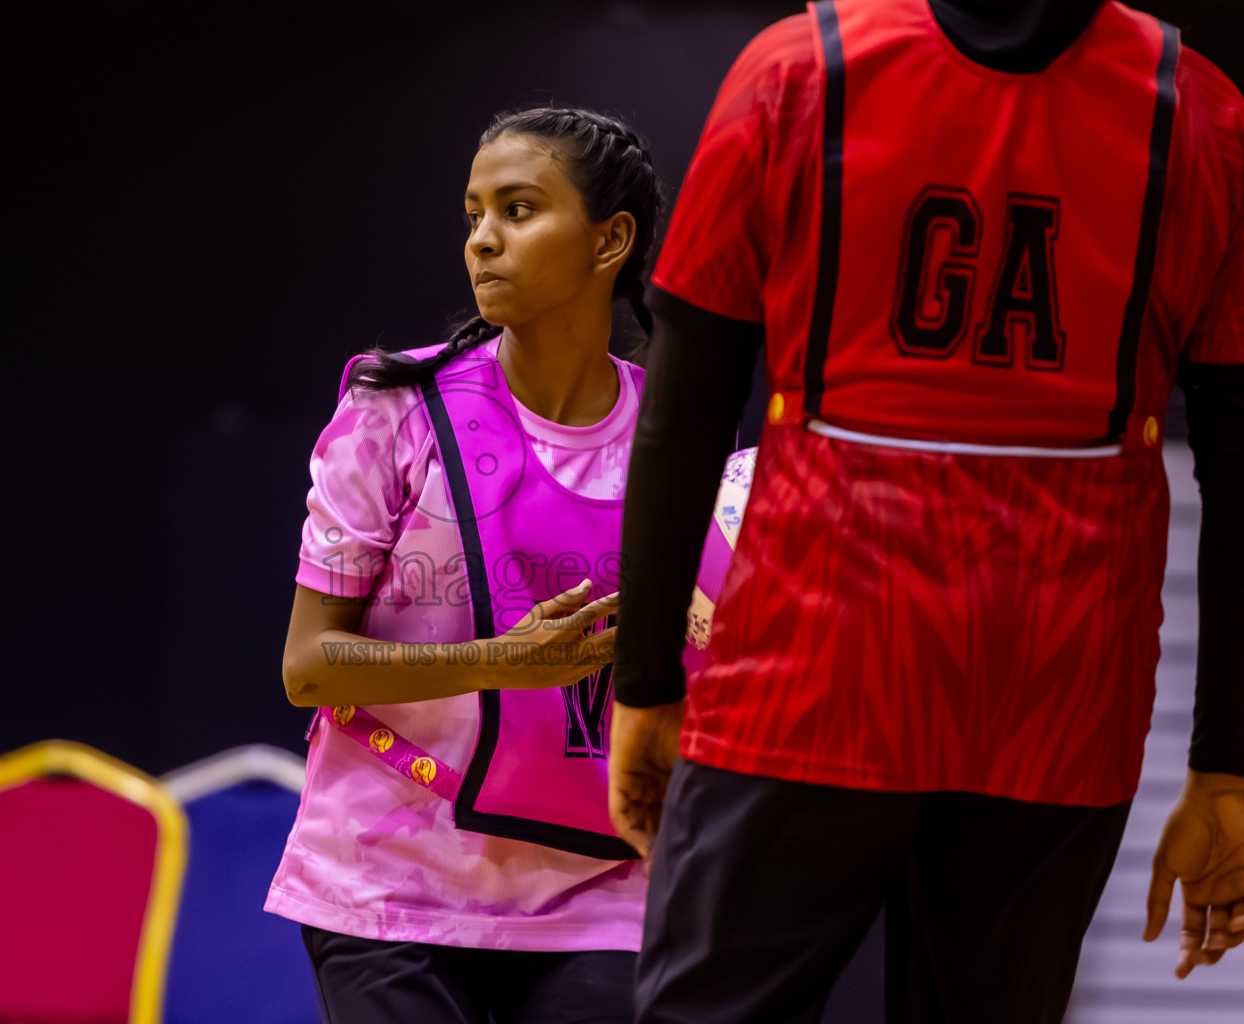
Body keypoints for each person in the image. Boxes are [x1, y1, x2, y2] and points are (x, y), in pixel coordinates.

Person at [608, 1, 1244, 1022]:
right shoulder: (1204, 113)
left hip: (813, 665)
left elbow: (680, 412)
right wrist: (1227, 764)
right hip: (1060, 685)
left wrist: (641, 680)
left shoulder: (795, 70)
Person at [267, 107, 671, 1023]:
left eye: (518, 210)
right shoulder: (394, 412)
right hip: (387, 872)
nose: (483, 241)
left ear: (611, 240)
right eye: (473, 214)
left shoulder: (676, 442)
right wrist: (505, 661)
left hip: (600, 887)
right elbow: (308, 667)